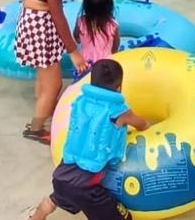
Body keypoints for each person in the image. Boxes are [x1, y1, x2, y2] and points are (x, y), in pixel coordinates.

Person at [29, 58, 150, 220]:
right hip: (86, 188)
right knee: (123, 217)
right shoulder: (118, 111)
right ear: (119, 87)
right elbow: (142, 125)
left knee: (55, 200)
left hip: (61, 176)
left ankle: (35, 217)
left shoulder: (80, 102)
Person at [18, 0, 89, 143]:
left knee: (44, 77)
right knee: (54, 84)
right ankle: (35, 129)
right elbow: (56, 12)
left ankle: (45, 113)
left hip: (32, 18)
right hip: (40, 23)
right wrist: (73, 50)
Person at [75, 0, 120, 65]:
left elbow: (76, 37)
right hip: (106, 65)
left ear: (86, 5)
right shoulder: (113, 25)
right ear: (109, 6)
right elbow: (115, 47)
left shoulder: (80, 22)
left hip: (86, 64)